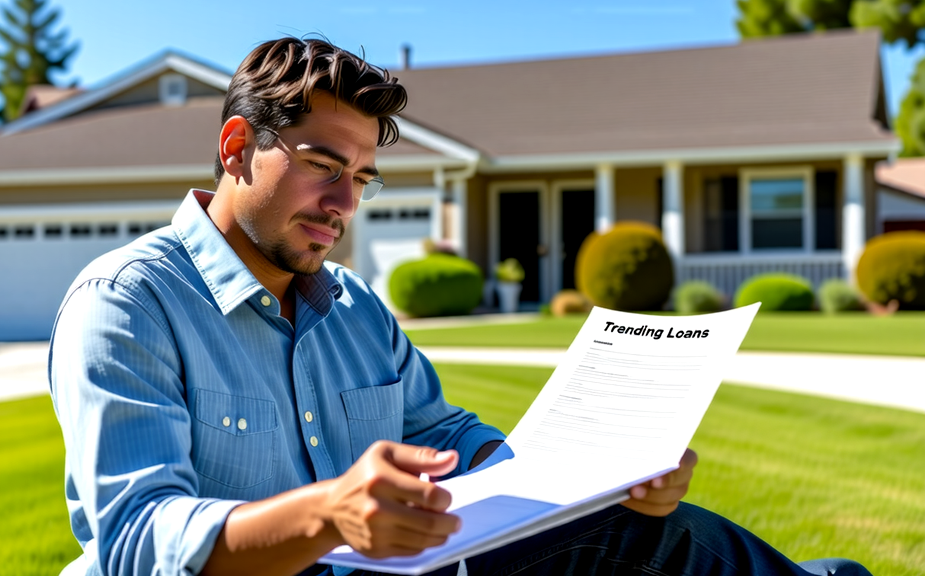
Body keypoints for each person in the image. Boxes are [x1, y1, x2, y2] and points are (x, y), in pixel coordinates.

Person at [49, 37, 872, 576]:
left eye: (363, 178)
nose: (343, 201)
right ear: (236, 147)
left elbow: (442, 433)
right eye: (321, 164)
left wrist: (597, 478)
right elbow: (135, 540)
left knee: (639, 533)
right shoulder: (128, 304)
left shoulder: (355, 309)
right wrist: (329, 516)